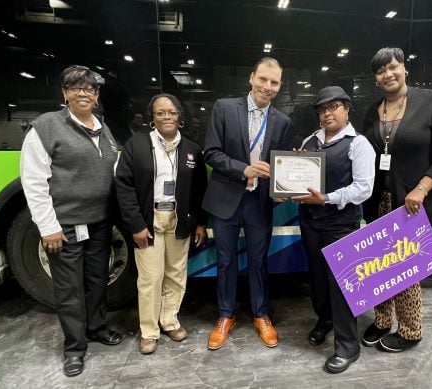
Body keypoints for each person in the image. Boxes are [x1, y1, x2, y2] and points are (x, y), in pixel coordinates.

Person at [20, 65, 123, 377]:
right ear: (64, 93)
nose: (83, 92)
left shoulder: (102, 127)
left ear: (96, 95)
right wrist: (48, 226)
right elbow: (34, 180)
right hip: (64, 226)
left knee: (97, 282)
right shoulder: (46, 127)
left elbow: (113, 166)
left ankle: (97, 328)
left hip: (100, 222)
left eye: (89, 88)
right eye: (75, 87)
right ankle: (75, 348)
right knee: (69, 289)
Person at [361, 47, 432, 352]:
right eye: (380, 71)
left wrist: (423, 187)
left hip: (412, 201)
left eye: (393, 67)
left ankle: (410, 330)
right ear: (376, 79)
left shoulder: (431, 102)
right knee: (378, 264)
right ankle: (381, 320)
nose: (388, 74)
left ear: (405, 69)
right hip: (378, 200)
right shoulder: (372, 111)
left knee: (405, 267)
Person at [203, 57, 291, 350]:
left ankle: (261, 313)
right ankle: (225, 315)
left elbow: (279, 163)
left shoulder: (282, 121)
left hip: (259, 202)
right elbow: (212, 153)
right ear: (252, 78)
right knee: (226, 261)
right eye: (263, 79)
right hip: (226, 197)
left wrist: (283, 185)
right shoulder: (225, 108)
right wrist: (244, 169)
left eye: (274, 82)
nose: (267, 87)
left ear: (279, 86)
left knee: (258, 261)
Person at [115, 93, 208, 355]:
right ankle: (149, 331)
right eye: (160, 113)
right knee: (150, 278)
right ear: (152, 118)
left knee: (176, 275)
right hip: (149, 221)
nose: (166, 117)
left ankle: (170, 321)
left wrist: (200, 223)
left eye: (171, 112)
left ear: (180, 117)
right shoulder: (137, 145)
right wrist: (136, 225)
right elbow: (124, 186)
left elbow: (200, 189)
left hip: (180, 221)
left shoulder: (191, 149)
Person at [292, 86, 375, 373]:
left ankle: (348, 348)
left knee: (342, 287)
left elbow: (363, 189)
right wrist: (289, 177)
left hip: (341, 225)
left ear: (347, 109)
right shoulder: (310, 140)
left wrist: (327, 198)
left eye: (334, 107)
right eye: (322, 109)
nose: (327, 113)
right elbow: (297, 179)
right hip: (310, 222)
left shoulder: (358, 144)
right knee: (317, 279)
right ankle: (325, 321)